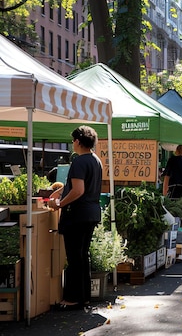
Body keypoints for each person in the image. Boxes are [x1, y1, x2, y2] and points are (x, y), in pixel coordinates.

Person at [49, 125, 103, 310]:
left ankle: (73, 298)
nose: (72, 143)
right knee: (82, 256)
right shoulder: (95, 160)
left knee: (74, 257)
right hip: (91, 212)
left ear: (78, 141)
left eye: (73, 140)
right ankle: (84, 297)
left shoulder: (79, 162)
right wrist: (59, 192)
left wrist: (59, 204)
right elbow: (76, 185)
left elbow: (78, 190)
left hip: (78, 214)